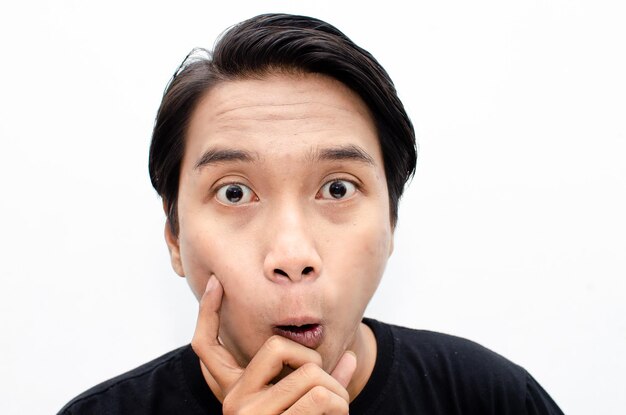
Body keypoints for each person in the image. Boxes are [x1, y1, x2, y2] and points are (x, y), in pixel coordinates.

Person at [59, 13, 563, 414]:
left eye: (337, 188)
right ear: (174, 238)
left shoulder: (494, 399)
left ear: (391, 224)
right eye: (234, 193)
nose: (293, 255)